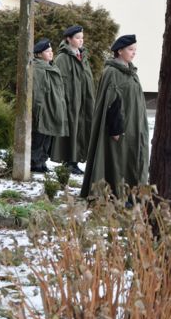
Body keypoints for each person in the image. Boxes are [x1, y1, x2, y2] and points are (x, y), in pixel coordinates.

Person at [81, 35, 149, 198]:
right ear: (120, 51)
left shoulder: (131, 72)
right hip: (120, 128)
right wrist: (116, 129)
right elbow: (112, 104)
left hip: (134, 126)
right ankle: (118, 195)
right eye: (130, 50)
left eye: (135, 50)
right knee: (118, 161)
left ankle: (133, 194)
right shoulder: (112, 72)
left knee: (132, 159)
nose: (134, 53)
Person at [50, 25, 95, 175]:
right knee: (71, 131)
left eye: (82, 38)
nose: (81, 41)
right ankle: (69, 161)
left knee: (81, 130)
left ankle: (75, 160)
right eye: (77, 38)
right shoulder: (62, 58)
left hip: (83, 102)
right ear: (68, 39)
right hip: (70, 103)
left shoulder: (83, 58)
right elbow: (58, 83)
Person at [31, 38, 69, 173]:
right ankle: (35, 163)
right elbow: (37, 90)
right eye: (47, 51)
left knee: (48, 137)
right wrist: (37, 109)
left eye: (51, 51)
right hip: (43, 108)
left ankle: (42, 162)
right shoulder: (37, 69)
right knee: (39, 137)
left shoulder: (52, 67)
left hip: (53, 108)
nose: (51, 53)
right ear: (39, 54)